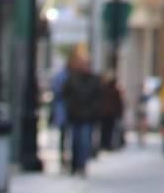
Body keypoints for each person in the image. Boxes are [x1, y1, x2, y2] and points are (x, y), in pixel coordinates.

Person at [62, 45, 102, 175]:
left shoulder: (94, 79)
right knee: (74, 141)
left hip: (88, 117)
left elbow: (98, 96)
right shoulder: (72, 78)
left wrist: (94, 110)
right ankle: (74, 165)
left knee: (84, 141)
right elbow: (65, 94)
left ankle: (82, 165)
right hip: (74, 115)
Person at [50, 56, 70, 170]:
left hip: (69, 110)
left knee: (64, 135)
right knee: (64, 134)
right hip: (64, 109)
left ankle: (64, 157)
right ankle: (64, 157)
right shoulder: (65, 76)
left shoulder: (64, 75)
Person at [98, 71, 124, 151]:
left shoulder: (107, 89)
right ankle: (106, 144)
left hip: (108, 112)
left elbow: (118, 102)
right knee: (108, 129)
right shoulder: (109, 89)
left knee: (107, 129)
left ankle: (106, 143)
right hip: (108, 112)